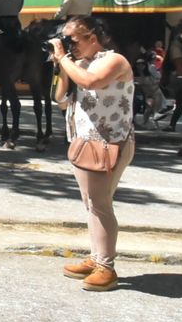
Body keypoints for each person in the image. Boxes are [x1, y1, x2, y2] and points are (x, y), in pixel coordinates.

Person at [51, 15, 135, 291]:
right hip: (84, 142)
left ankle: (106, 268)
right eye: (65, 40)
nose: (68, 45)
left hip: (110, 143)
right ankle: (96, 256)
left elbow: (91, 82)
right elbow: (60, 100)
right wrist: (62, 66)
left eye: (72, 40)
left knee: (100, 204)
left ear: (92, 37)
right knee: (92, 204)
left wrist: (64, 59)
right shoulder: (78, 64)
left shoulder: (115, 61)